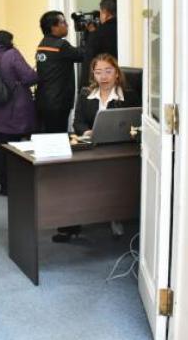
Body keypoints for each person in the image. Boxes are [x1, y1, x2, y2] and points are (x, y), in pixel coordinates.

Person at [53, 54, 139, 243]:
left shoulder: (129, 96)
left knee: (115, 177)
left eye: (108, 71)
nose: (103, 76)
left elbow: (136, 122)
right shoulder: (86, 94)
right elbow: (78, 122)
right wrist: (87, 131)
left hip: (119, 148)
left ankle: (115, 215)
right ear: (93, 74)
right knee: (74, 177)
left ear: (117, 73)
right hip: (91, 147)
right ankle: (71, 223)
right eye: (98, 72)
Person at [0, 30, 37, 195]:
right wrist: (36, 72)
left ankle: (2, 185)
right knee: (18, 150)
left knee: (4, 150)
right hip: (16, 110)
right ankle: (17, 186)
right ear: (8, 41)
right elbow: (29, 77)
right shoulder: (12, 54)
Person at [35, 11, 91, 133]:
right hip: (58, 102)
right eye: (63, 22)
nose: (67, 25)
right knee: (57, 137)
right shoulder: (60, 45)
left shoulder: (42, 44)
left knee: (47, 135)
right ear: (53, 27)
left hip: (43, 100)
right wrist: (88, 33)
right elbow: (83, 55)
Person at [80, 0, 119, 85]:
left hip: (102, 83)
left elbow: (88, 63)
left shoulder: (98, 34)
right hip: (119, 80)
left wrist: (84, 88)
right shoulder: (126, 32)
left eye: (100, 13)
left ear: (105, 12)